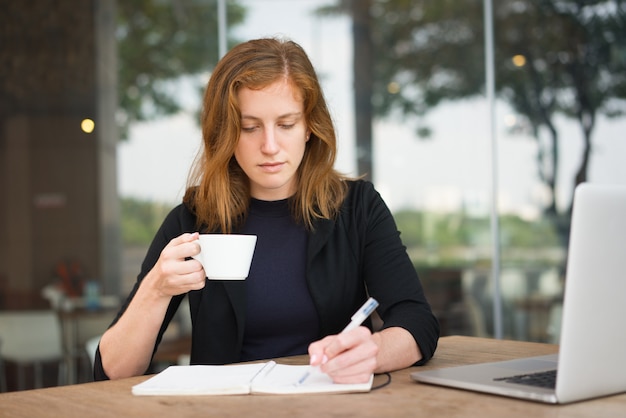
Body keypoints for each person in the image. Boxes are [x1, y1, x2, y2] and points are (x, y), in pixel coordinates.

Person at [95, 37, 439, 384]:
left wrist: (373, 352)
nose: (270, 146)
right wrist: (156, 289)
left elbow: (417, 323)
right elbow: (114, 371)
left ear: (309, 128)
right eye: (250, 127)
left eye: (286, 124)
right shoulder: (192, 219)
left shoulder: (357, 208)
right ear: (225, 133)